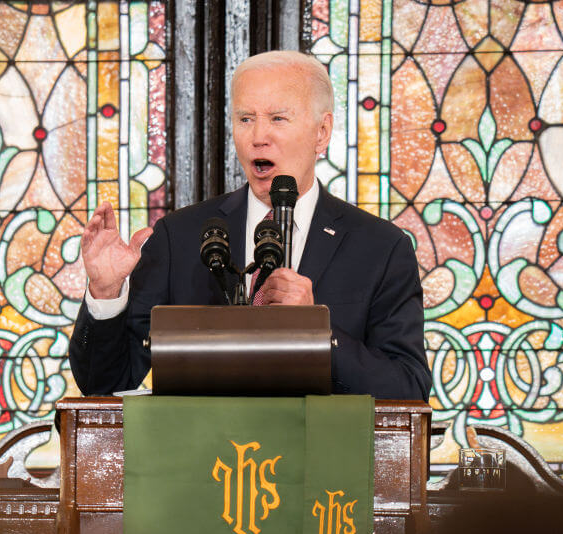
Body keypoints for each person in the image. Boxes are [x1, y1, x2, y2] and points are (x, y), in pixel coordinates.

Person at [70, 51, 430, 400]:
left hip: (323, 456)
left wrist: (317, 333)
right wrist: (106, 295)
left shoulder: (380, 248)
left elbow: (407, 388)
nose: (259, 136)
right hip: (207, 459)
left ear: (322, 132)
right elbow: (103, 385)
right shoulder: (178, 237)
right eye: (245, 119)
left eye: (277, 118)